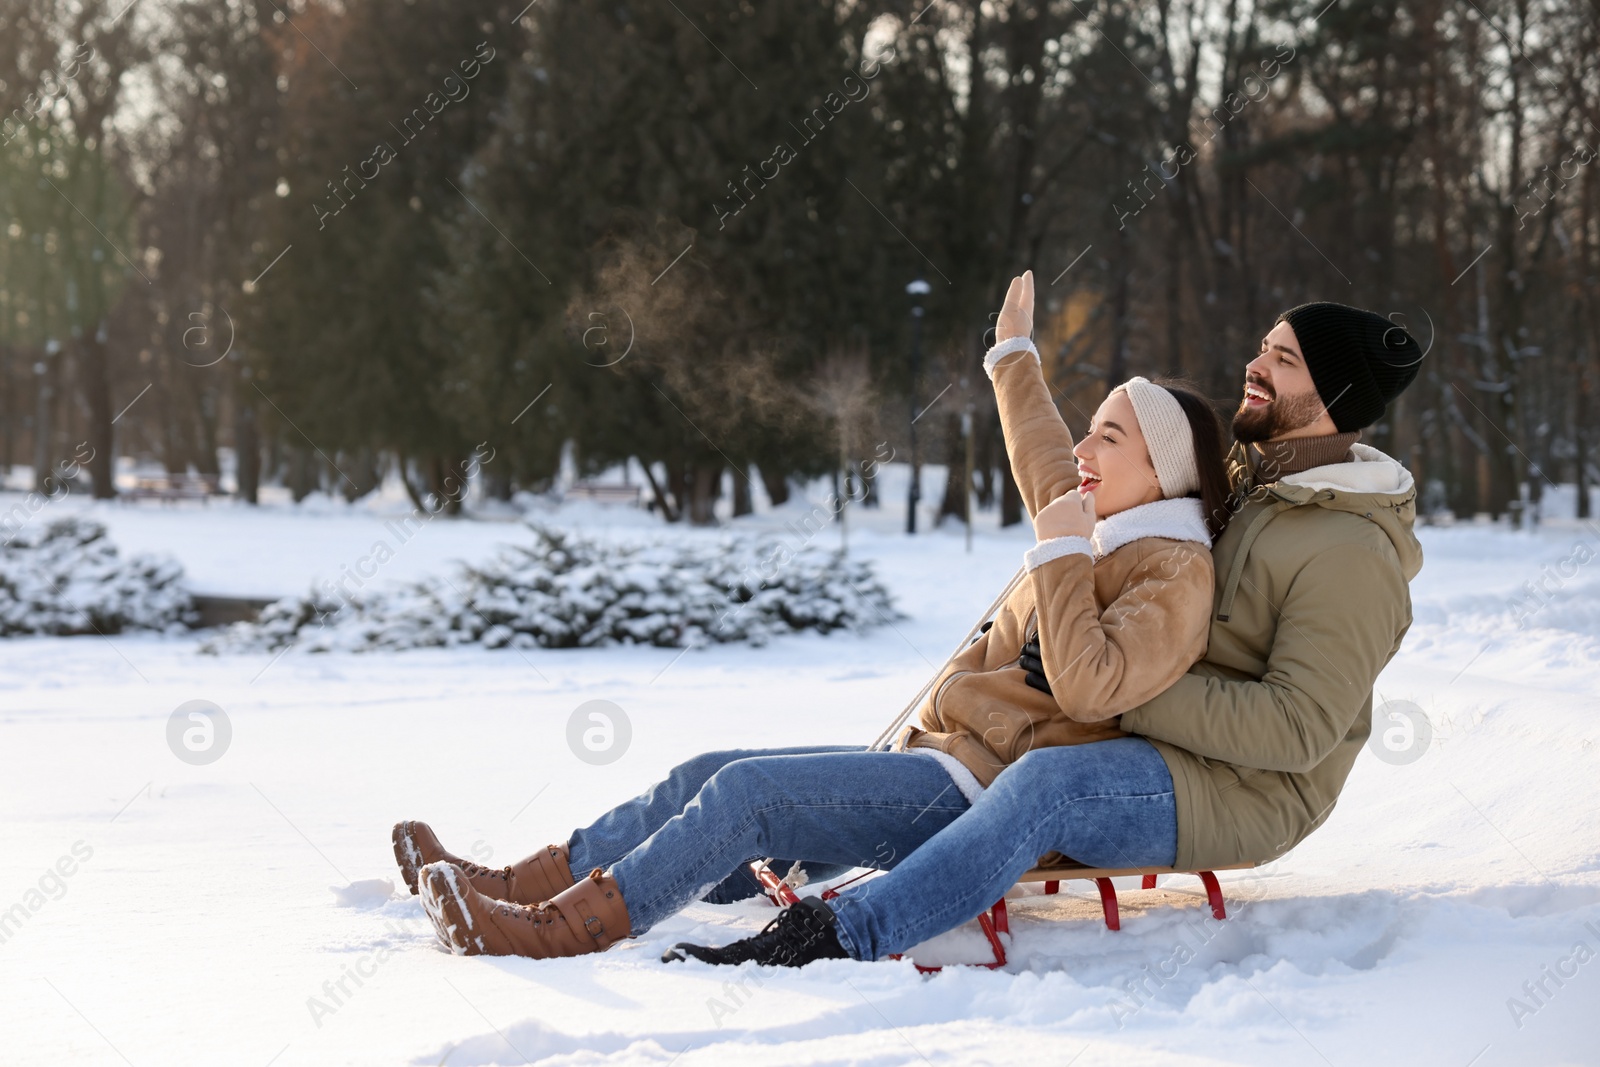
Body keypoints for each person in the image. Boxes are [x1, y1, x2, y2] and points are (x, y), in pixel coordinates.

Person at [394, 274, 1234, 959]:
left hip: (975, 795)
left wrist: (1059, 555)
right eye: (1090, 432)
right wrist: (1013, 355)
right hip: (938, 760)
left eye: (1110, 439)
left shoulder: (1173, 570)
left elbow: (1093, 689)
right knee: (708, 773)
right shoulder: (1095, 519)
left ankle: (561, 931)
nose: (1084, 451)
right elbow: (1045, 453)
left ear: (1161, 473)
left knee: (748, 794)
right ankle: (519, 882)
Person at [673, 277, 1426, 967]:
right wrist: (1013, 360)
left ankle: (839, 936)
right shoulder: (1247, 481)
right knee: (951, 767)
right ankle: (693, 874)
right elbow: (1067, 482)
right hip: (1145, 738)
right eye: (1263, 347)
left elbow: (1299, 730)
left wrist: (1123, 696)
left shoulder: (1350, 549)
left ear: (1333, 392)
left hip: (1240, 790)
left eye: (1283, 360)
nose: (1254, 366)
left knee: (1048, 782)